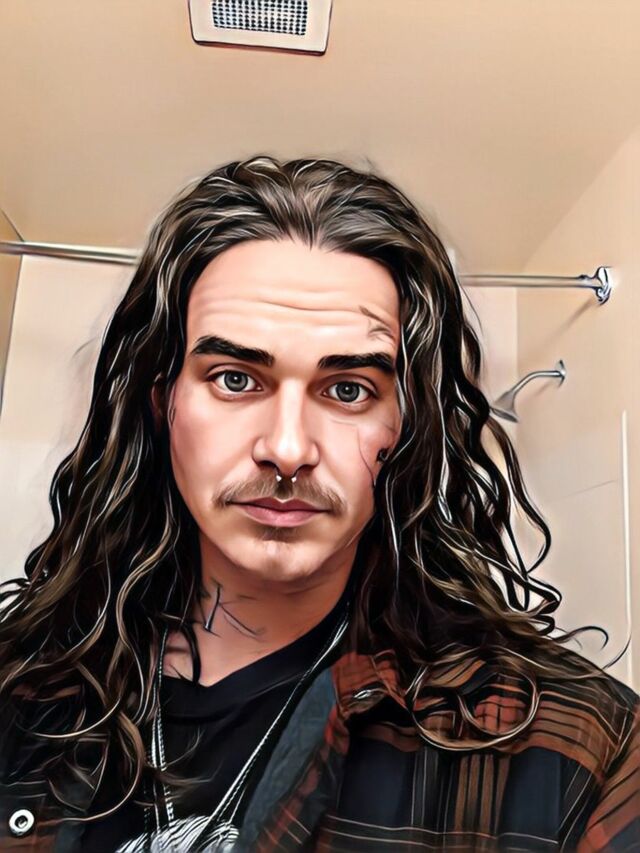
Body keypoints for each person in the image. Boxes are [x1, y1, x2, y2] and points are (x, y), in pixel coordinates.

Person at [0, 155, 637, 852]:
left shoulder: (581, 753)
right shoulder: (20, 686)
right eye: (235, 378)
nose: (286, 448)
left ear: (404, 428)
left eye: (348, 390)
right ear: (163, 403)